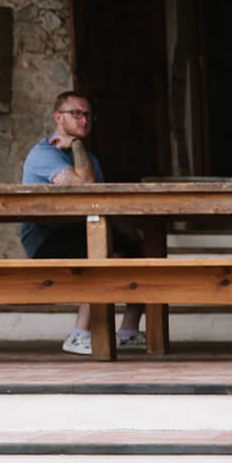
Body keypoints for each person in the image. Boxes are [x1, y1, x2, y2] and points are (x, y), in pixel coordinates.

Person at [20, 89, 144, 355]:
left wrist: (129, 230)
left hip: (81, 230)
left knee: (139, 248)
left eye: (87, 115)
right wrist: (76, 144)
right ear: (57, 117)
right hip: (47, 239)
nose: (83, 120)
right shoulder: (44, 153)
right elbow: (84, 188)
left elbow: (97, 200)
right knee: (102, 252)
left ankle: (129, 331)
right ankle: (79, 334)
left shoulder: (89, 160)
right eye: (75, 114)